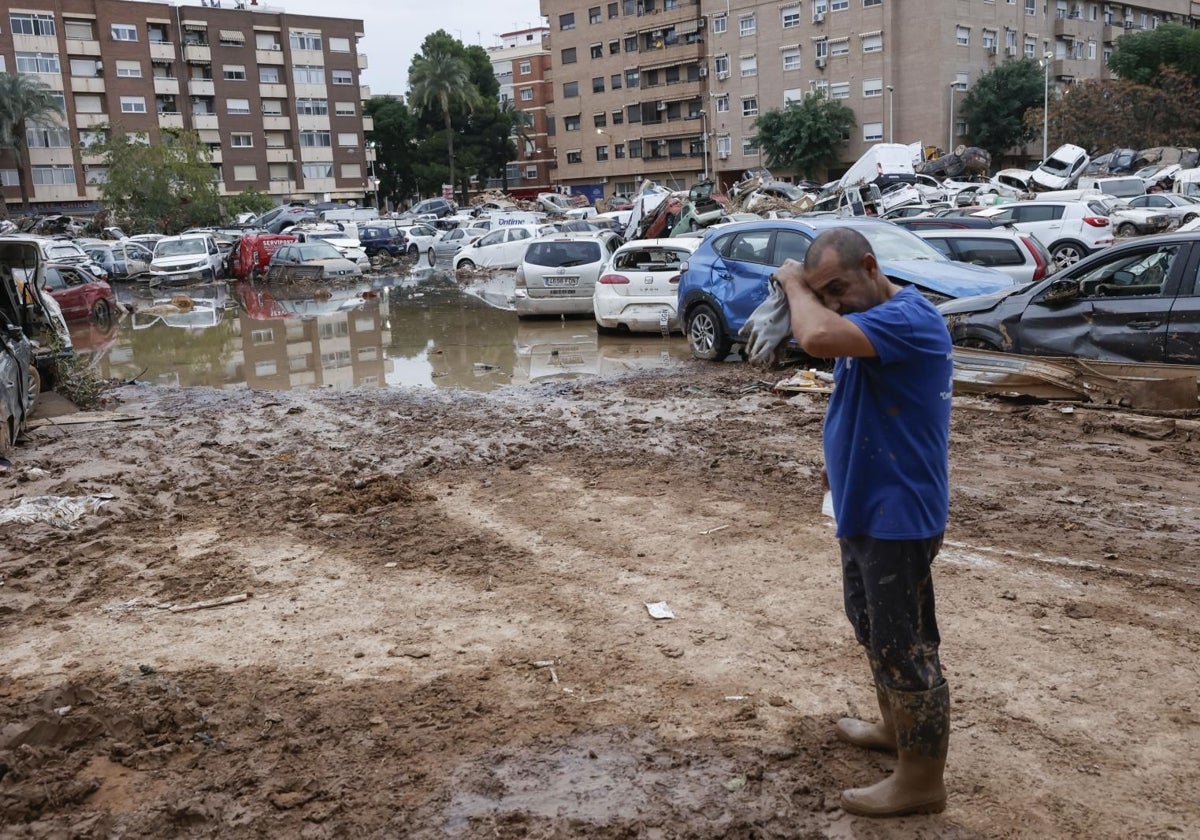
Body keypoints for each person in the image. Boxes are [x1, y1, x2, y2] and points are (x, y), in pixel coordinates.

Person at [773, 228, 953, 818]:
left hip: (899, 515)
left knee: (906, 644)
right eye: (823, 293)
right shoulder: (871, 326)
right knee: (872, 626)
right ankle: (892, 726)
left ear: (871, 267)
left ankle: (921, 781)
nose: (832, 303)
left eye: (837, 288)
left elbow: (815, 335)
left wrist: (795, 284)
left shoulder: (909, 319)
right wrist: (835, 464)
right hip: (864, 503)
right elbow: (849, 397)